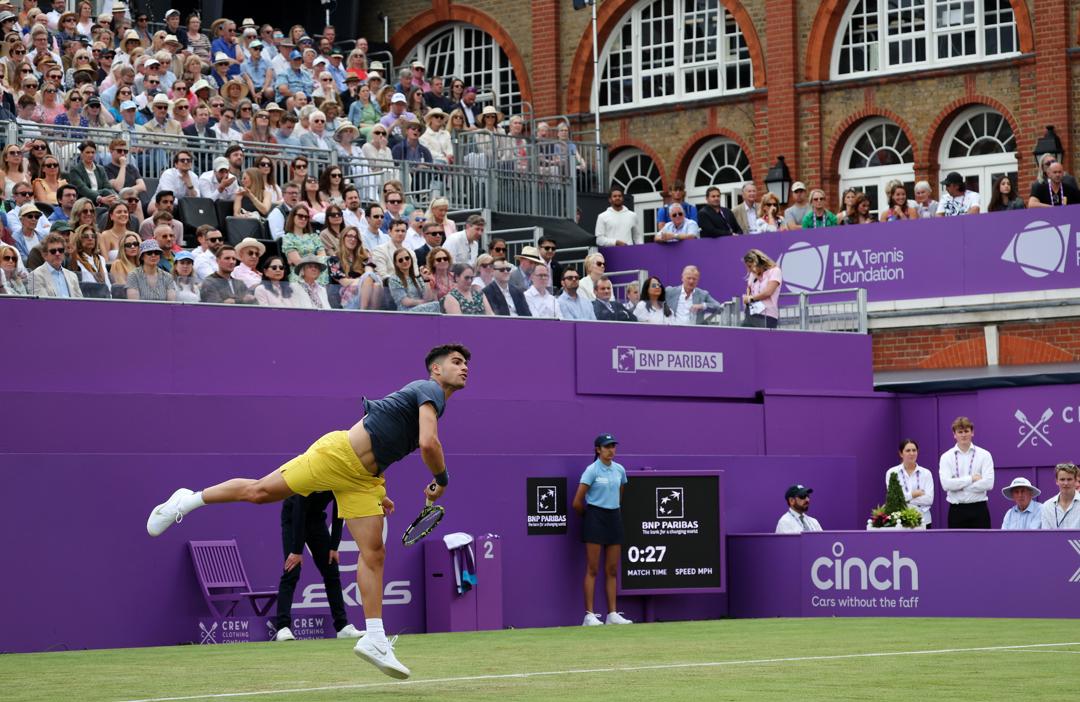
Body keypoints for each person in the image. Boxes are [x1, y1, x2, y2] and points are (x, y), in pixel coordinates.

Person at [147, 344, 470, 678]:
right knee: (260, 492)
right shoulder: (429, 390)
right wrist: (441, 478)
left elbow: (387, 443)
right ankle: (188, 499)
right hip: (337, 456)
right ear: (436, 369)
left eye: (466, 364)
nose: (464, 368)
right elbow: (429, 444)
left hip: (364, 479)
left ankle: (374, 637)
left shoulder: (433, 401)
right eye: (456, 362)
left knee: (374, 553)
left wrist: (380, 490)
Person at [272, 490, 364, 642]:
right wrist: (296, 551)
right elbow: (299, 512)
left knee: (331, 570)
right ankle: (283, 627)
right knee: (292, 570)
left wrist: (334, 546)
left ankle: (342, 627)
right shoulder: (311, 474)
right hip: (293, 516)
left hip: (316, 519)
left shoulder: (337, 476)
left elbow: (339, 510)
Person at [572, 433, 631, 627]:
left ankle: (612, 614)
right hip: (595, 518)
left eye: (613, 446)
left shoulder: (620, 470)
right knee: (593, 568)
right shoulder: (591, 470)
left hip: (614, 517)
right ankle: (589, 615)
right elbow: (577, 502)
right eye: (607, 447)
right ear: (598, 450)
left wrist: (610, 511)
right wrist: (590, 517)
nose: (611, 450)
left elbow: (620, 496)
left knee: (612, 569)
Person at [938, 416, 994, 529]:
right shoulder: (946, 457)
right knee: (957, 546)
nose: (963, 435)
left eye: (966, 431)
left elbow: (988, 484)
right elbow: (946, 485)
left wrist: (958, 486)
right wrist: (971, 479)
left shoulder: (984, 455)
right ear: (954, 434)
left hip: (979, 509)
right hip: (956, 510)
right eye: (960, 432)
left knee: (982, 545)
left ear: (972, 433)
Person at [885, 439, 934, 528]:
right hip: (899, 521)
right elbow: (893, 500)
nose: (912, 453)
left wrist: (903, 498)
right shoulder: (892, 473)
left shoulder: (926, 473)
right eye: (908, 450)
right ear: (901, 453)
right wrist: (913, 494)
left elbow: (929, 500)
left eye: (914, 450)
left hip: (923, 520)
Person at [30, 232, 82, 298]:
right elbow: (41, 304)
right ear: (45, 255)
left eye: (60, 250)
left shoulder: (73, 276)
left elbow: (80, 302)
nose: (57, 254)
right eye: (53, 251)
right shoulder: (35, 275)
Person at [1040, 462, 1080, 530]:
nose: (1066, 483)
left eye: (1069, 479)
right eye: (1062, 479)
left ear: (1076, 481)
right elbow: (1046, 536)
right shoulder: (1047, 506)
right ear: (1056, 481)